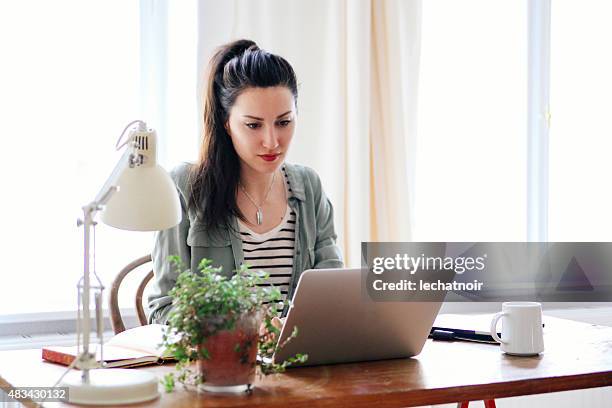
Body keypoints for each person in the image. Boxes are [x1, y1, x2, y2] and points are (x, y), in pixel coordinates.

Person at [148, 39, 343, 325]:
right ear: (226, 123)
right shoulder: (184, 187)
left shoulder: (308, 187)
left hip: (301, 366)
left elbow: (333, 293)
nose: (272, 141)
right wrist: (244, 330)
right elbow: (164, 310)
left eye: (284, 122)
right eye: (253, 125)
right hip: (223, 366)